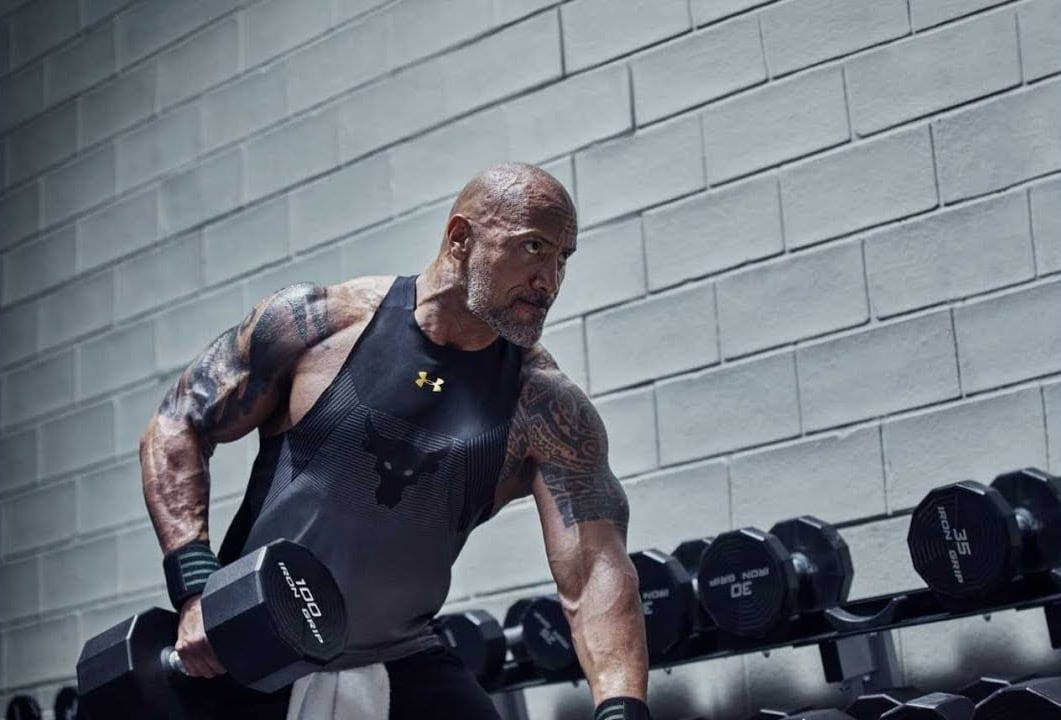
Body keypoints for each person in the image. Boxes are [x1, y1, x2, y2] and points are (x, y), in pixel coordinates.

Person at [139, 162, 650, 719]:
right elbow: (178, 422)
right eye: (533, 248)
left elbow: (595, 564)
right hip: (254, 639)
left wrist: (621, 707)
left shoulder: (543, 404)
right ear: (461, 238)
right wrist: (194, 587)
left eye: (562, 259)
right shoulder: (319, 326)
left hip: (400, 654)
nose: (549, 281)